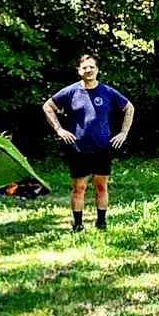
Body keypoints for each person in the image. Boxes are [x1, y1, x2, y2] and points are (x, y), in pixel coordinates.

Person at [42, 54, 135, 232]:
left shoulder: (107, 91)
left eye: (92, 67)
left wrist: (123, 133)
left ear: (97, 70)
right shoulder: (70, 92)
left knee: (101, 186)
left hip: (103, 148)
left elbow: (129, 107)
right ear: (79, 71)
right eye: (85, 67)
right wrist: (59, 130)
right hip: (78, 148)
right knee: (79, 187)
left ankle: (101, 223)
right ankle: (77, 225)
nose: (88, 70)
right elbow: (47, 106)